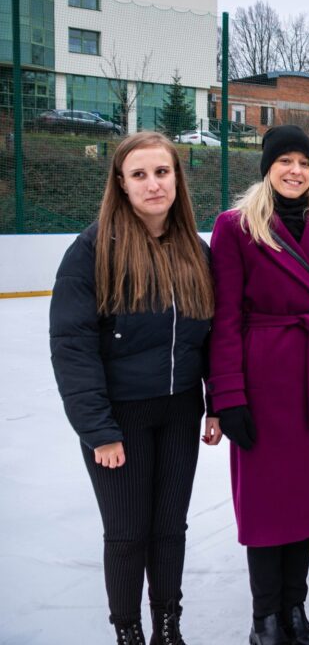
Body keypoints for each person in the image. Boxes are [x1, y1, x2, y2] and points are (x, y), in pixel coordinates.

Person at [49, 132, 218, 645]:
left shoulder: (195, 249)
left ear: (177, 179)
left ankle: (168, 626)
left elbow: (213, 337)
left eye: (162, 172)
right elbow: (72, 346)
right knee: (127, 535)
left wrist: (214, 405)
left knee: (169, 529)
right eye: (139, 175)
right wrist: (98, 431)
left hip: (180, 411)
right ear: (121, 184)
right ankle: (128, 632)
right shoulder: (92, 249)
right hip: (120, 418)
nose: (152, 184)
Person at [208, 125, 309, 645]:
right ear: (267, 167)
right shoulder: (235, 227)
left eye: (304, 163)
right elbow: (224, 318)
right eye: (285, 161)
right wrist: (227, 396)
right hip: (263, 383)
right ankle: (264, 617)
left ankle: (294, 610)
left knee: (308, 502)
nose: (295, 171)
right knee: (268, 504)